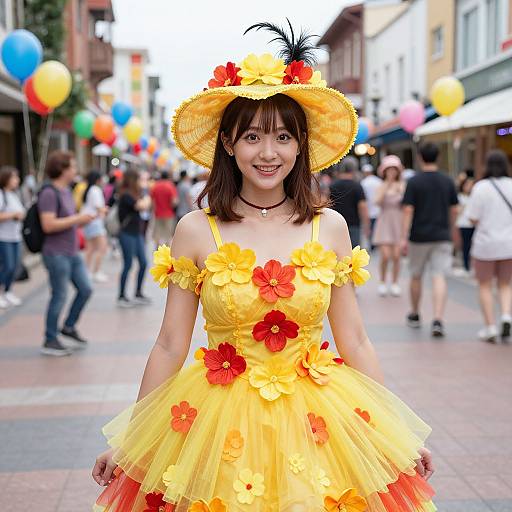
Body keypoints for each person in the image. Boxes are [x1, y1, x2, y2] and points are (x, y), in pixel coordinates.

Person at [92, 30, 435, 512]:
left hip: (319, 423)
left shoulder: (330, 227)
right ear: (229, 144)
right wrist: (130, 439)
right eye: (252, 136)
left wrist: (394, 434)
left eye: (282, 136)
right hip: (217, 420)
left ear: (300, 146)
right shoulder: (196, 230)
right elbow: (171, 342)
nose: (268, 152)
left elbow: (354, 339)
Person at [38, 151, 94, 356]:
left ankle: (68, 326)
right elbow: (48, 224)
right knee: (59, 295)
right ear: (62, 169)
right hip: (56, 253)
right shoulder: (49, 193)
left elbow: (69, 219)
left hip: (71, 252)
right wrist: (78, 220)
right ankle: (50, 338)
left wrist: (84, 218)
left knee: (86, 289)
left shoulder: (66, 191)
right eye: (72, 166)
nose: (75, 170)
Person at [401, 142, 458, 337]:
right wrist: (451, 229)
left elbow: (408, 210)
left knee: (416, 275)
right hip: (442, 236)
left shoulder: (414, 182)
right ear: (438, 157)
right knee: (439, 276)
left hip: (418, 236)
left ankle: (415, 314)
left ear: (420, 157)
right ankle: (438, 319)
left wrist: (403, 237)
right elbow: (454, 209)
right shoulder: (447, 180)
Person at [466, 150, 512, 343]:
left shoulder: (481, 187)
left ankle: (490, 326)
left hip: (485, 245)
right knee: (505, 284)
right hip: (509, 244)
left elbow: (472, 217)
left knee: (484, 285)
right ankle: (506, 316)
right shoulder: (511, 185)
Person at [117, 168, 152, 307]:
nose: (141, 182)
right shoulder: (126, 195)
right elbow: (142, 206)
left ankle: (138, 292)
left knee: (143, 263)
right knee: (128, 264)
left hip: (136, 233)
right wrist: (147, 195)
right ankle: (121, 296)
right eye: (139, 179)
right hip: (126, 233)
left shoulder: (134, 193)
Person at [373, 155, 405, 297]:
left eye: (394, 169)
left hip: (398, 222)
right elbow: (377, 202)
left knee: (397, 256)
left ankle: (395, 282)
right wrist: (387, 185)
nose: (392, 172)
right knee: (385, 256)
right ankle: (382, 281)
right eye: (389, 169)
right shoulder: (381, 186)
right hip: (385, 221)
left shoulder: (402, 186)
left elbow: (407, 205)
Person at [329, 156, 370, 247]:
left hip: (336, 224)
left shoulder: (333, 185)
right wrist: (366, 225)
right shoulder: (357, 186)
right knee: (353, 254)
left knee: (337, 253)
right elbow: (362, 207)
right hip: (354, 225)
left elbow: (328, 204)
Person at [0, 166, 25, 308]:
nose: (17, 180)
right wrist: (14, 215)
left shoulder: (15, 195)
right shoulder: (1, 195)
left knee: (14, 266)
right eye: (14, 177)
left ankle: (8, 291)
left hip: (16, 236)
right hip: (4, 237)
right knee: (7, 266)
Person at [81, 170, 109, 282]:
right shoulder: (95, 190)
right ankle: (96, 272)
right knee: (102, 248)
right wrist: (105, 210)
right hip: (95, 222)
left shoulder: (89, 189)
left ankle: (86, 272)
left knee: (90, 249)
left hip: (89, 221)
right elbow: (99, 207)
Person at [150, 170, 178, 246]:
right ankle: (167, 251)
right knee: (168, 234)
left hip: (158, 213)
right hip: (169, 214)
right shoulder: (170, 186)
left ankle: (158, 249)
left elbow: (152, 201)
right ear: (168, 177)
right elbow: (174, 202)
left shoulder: (155, 186)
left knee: (157, 233)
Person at [455, 173, 475, 276]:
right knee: (465, 246)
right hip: (463, 224)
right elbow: (457, 210)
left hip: (475, 224)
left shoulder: (475, 196)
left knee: (474, 246)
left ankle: (472, 266)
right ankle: (466, 266)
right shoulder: (459, 197)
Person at [360, 163, 382, 251]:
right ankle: (376, 243)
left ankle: (372, 243)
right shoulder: (378, 181)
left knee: (369, 227)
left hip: (368, 209)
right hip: (378, 209)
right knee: (376, 227)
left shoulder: (363, 183)